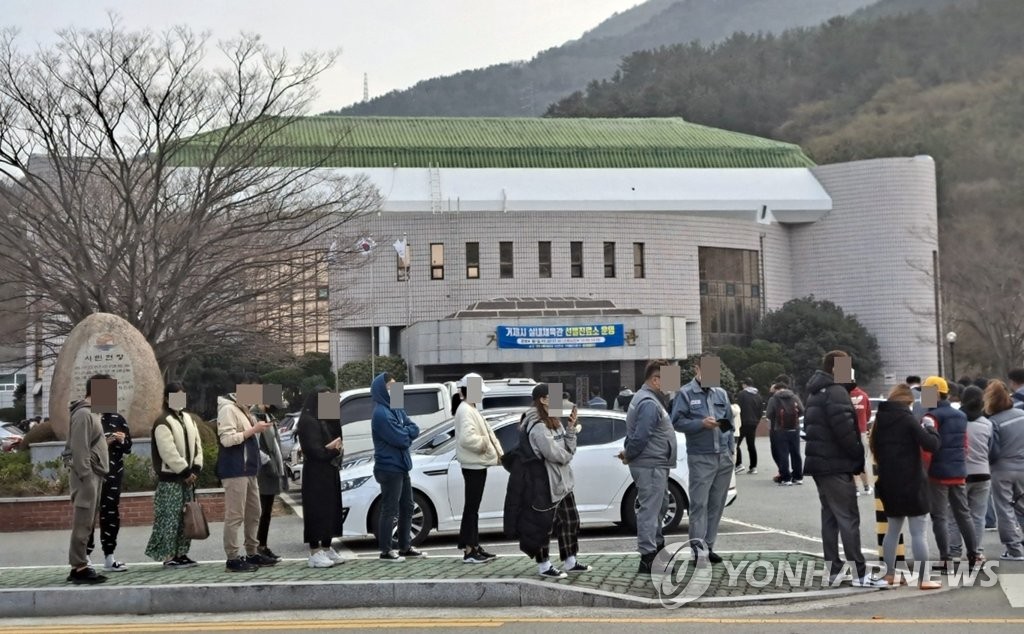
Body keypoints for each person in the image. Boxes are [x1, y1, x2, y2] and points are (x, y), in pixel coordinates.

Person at [802, 350, 886, 587]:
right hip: (836, 463)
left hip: (819, 464)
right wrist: (858, 461)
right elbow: (846, 432)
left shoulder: (816, 392)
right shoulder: (837, 393)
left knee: (829, 517)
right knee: (848, 517)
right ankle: (859, 573)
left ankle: (834, 570)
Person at [870, 384, 941, 589]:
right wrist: (930, 427)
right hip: (912, 481)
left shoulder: (880, 420)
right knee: (918, 533)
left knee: (892, 530)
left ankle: (890, 574)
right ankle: (924, 578)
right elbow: (931, 444)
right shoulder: (908, 419)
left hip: (888, 482)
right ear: (907, 401)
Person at [521, 383, 590, 577]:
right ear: (543, 400)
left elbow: (569, 448)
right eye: (555, 397)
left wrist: (570, 428)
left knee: (570, 521)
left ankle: (570, 561)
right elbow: (554, 454)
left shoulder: (555, 421)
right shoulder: (536, 426)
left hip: (563, 481)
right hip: (546, 483)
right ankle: (544, 565)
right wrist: (568, 454)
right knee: (544, 526)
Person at [671, 354, 734, 565]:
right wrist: (700, 424)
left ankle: (709, 546)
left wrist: (731, 450)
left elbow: (728, 422)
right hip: (701, 456)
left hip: (723, 457)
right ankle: (697, 551)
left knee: (717, 505)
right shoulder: (686, 393)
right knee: (699, 504)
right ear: (697, 369)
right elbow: (676, 422)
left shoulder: (721, 393)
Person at [619, 360, 677, 573]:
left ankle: (657, 548)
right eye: (669, 380)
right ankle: (648, 556)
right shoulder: (649, 403)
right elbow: (641, 436)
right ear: (656, 379)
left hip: (654, 463)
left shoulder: (649, 399)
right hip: (650, 463)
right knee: (650, 510)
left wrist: (629, 454)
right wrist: (630, 454)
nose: (672, 385)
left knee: (659, 506)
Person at [919, 376, 983, 571]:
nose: (923, 396)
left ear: (936, 393)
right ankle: (974, 555)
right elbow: (965, 445)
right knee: (963, 513)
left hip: (938, 472)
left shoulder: (931, 418)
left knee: (939, 516)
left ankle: (945, 558)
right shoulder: (960, 416)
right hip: (958, 470)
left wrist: (924, 472)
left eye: (926, 392)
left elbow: (928, 449)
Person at [217, 388, 276, 572]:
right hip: (235, 470)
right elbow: (226, 440)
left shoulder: (245, 410)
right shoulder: (228, 409)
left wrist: (258, 428)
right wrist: (253, 430)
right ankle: (232, 558)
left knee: (254, 512)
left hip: (249, 469)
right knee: (235, 516)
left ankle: (252, 552)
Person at [145, 382, 203, 569]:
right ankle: (169, 555)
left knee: (185, 518)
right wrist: (185, 471)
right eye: (176, 397)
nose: (180, 401)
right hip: (171, 480)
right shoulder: (162, 421)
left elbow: (197, 446)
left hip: (187, 480)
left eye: (182, 396)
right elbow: (167, 452)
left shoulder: (189, 419)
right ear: (167, 399)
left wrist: (195, 469)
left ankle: (182, 553)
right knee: (169, 517)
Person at [370, 372, 423, 562]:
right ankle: (385, 550)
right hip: (389, 467)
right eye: (391, 387)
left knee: (407, 507)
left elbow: (414, 428)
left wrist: (406, 432)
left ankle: (405, 546)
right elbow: (401, 439)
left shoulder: (397, 408)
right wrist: (407, 433)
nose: (395, 390)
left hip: (401, 466)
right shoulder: (381, 414)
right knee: (390, 508)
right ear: (382, 390)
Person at [64, 374, 111, 584]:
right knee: (82, 522)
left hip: (94, 474)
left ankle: (80, 565)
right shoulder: (83, 414)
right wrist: (85, 476)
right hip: (87, 476)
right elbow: (79, 449)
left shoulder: (93, 413)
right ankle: (79, 567)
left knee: (87, 523)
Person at [454, 372, 503, 564]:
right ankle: (469, 550)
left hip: (474, 463)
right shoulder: (466, 410)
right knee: (472, 508)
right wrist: (487, 443)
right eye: (479, 391)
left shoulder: (468, 408)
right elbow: (468, 439)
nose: (482, 394)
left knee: (472, 508)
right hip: (473, 463)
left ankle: (473, 545)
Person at [296, 388, 346, 568]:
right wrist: (332, 449)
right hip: (316, 472)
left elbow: (337, 434)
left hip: (329, 470)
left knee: (331, 509)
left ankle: (326, 546)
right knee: (316, 510)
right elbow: (315, 451)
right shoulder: (307, 421)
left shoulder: (323, 419)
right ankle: (314, 551)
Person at [948, 385, 996, 560]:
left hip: (959, 474)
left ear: (962, 399)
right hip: (983, 473)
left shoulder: (955, 421)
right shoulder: (988, 424)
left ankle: (954, 551)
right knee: (977, 516)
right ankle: (976, 551)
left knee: (953, 515)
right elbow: (993, 450)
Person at [87, 409, 132, 573]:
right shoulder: (87, 419)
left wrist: (122, 440)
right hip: (91, 475)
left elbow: (128, 448)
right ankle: (85, 558)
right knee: (88, 515)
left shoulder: (118, 419)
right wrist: (105, 443)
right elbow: (81, 449)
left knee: (111, 515)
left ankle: (109, 557)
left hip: (113, 475)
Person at [983, 380, 1024, 560]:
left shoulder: (992, 422)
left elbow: (992, 451)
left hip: (1002, 470)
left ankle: (1014, 549)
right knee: (1022, 506)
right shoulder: (1022, 415)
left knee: (1005, 508)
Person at [254, 405, 286, 563]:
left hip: (271, 470)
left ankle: (263, 546)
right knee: (259, 512)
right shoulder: (254, 416)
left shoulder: (269, 416)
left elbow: (275, 443)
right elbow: (254, 445)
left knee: (266, 513)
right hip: (262, 470)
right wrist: (268, 461)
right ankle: (256, 548)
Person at [765, 382, 804, 486]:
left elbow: (769, 414)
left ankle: (786, 478)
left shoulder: (774, 399)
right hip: (794, 429)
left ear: (777, 389)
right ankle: (798, 477)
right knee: (796, 453)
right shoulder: (794, 397)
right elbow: (801, 410)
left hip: (780, 429)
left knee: (783, 454)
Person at [849, 378, 874, 496]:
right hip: (862, 431)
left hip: (847, 432)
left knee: (849, 460)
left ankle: (855, 488)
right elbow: (868, 414)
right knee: (861, 460)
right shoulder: (864, 395)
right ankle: (866, 486)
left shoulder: (843, 396)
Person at [734, 378, 763, 475]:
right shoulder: (758, 395)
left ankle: (739, 464)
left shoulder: (742, 394)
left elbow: (738, 408)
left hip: (743, 422)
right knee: (751, 445)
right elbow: (760, 411)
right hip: (753, 423)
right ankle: (753, 467)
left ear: (745, 385)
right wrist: (757, 420)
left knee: (736, 444)